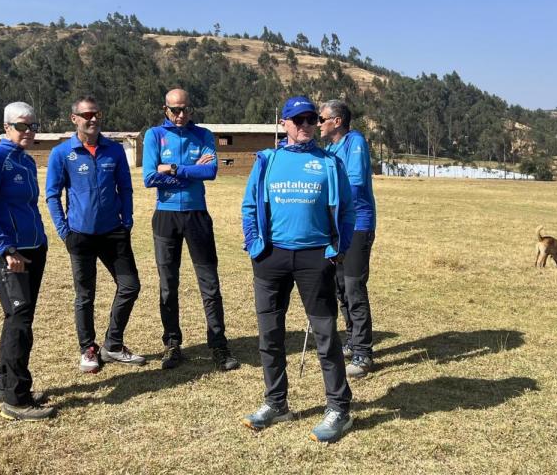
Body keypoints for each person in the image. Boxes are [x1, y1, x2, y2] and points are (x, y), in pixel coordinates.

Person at [240, 95, 356, 443]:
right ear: (284, 124)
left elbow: (348, 210)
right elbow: (249, 206)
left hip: (314, 258)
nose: (305, 125)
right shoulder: (268, 161)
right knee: (269, 335)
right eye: (298, 119)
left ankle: (339, 409)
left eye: (310, 119)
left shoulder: (328, 164)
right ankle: (276, 403)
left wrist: (338, 249)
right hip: (271, 258)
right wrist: (255, 246)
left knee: (325, 336)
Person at [46, 95, 145, 372]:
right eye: (86, 115)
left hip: (114, 232)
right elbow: (53, 195)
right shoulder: (62, 154)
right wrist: (64, 231)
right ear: (74, 119)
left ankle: (113, 345)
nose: (92, 119)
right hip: (80, 235)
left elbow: (125, 188)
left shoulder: (113, 151)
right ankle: (88, 348)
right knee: (85, 295)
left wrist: (127, 220)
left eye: (96, 114)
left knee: (130, 286)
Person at [142, 88, 240, 371]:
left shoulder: (204, 135)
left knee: (209, 283)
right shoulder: (154, 136)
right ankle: (172, 344)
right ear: (165, 110)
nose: (180, 115)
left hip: (197, 216)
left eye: (185, 109)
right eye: (174, 110)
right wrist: (188, 171)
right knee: (168, 284)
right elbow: (150, 177)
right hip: (166, 216)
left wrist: (172, 168)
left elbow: (209, 172)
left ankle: (219, 345)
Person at [0, 101, 55, 421]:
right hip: (11, 253)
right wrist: (7, 249)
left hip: (34, 248)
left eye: (33, 125)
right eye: (22, 125)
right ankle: (17, 400)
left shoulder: (26, 162)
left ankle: (5, 384)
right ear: (7, 127)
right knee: (20, 320)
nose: (29, 131)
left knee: (17, 317)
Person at [318, 99, 377, 379]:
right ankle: (352, 340)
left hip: (357, 226)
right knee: (340, 287)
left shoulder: (355, 142)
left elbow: (353, 184)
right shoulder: (330, 148)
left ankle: (363, 353)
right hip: (336, 227)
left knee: (354, 287)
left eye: (321, 119)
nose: (318, 124)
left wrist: (324, 199)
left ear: (337, 121)